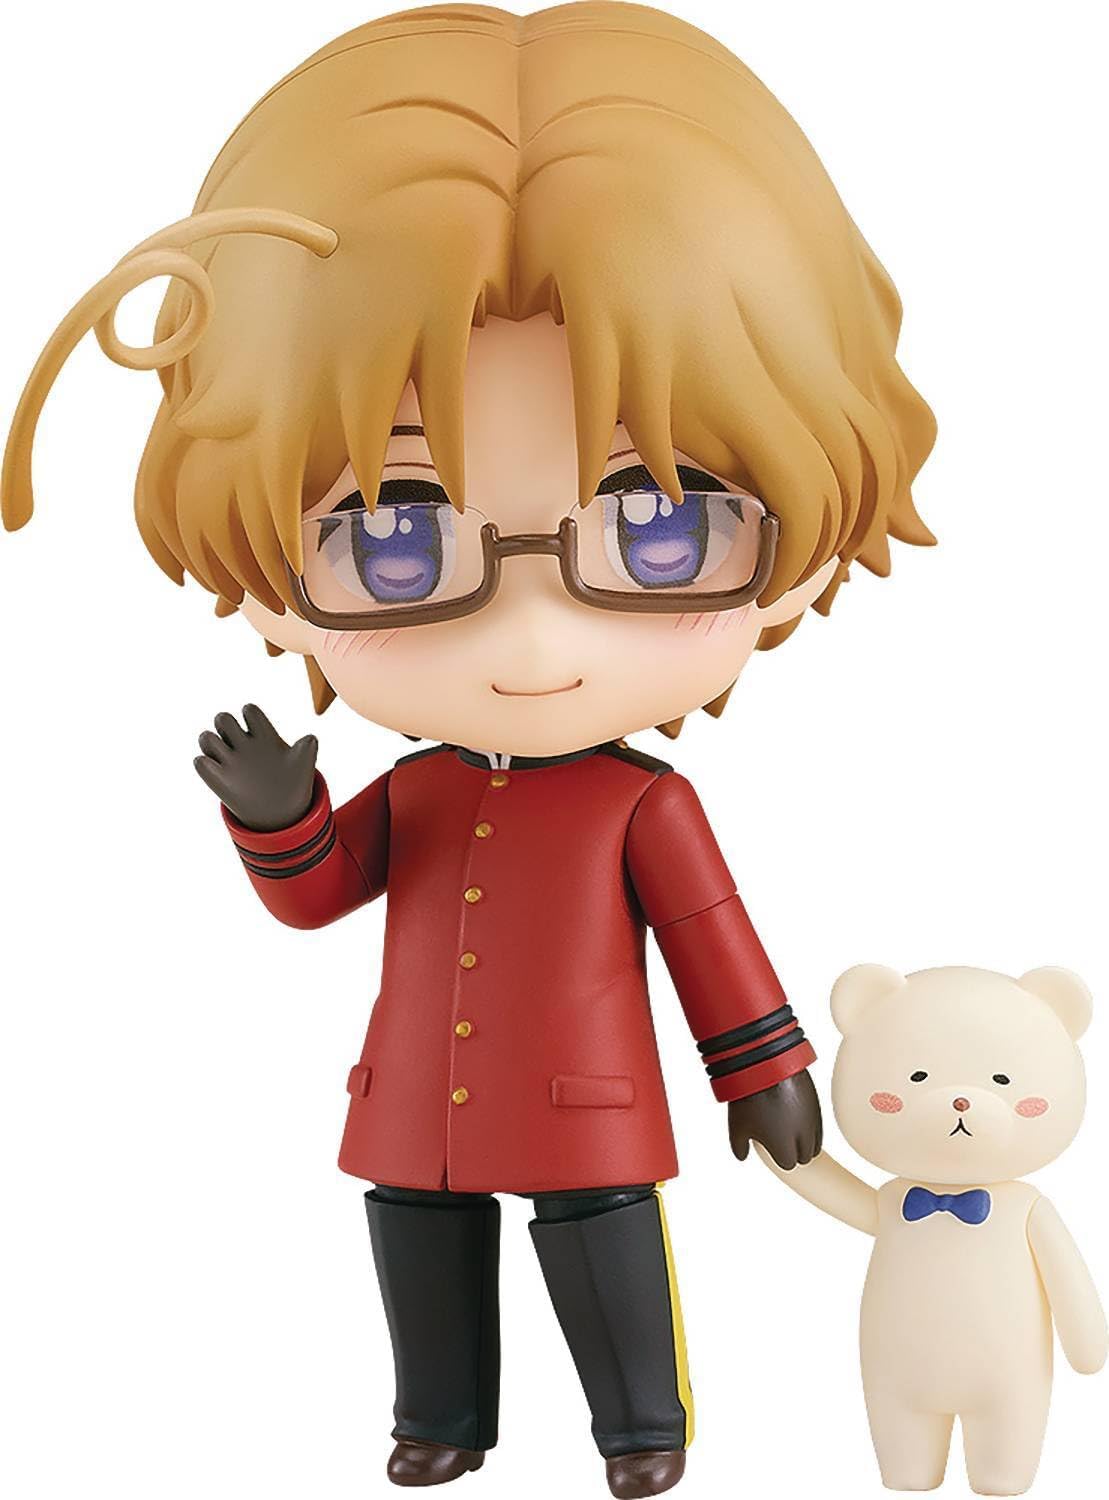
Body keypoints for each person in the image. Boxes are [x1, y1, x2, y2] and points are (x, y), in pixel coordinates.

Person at [1, 5, 935, 1493]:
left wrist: (758, 1067)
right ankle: (439, 1417)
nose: (531, 635)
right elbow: (319, 896)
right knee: (417, 1243)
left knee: (600, 1246)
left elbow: (710, 934)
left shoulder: (642, 804)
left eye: (659, 526)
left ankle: (639, 1429)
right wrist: (281, 813)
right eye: (392, 537)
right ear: (263, 566)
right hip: (412, 1102)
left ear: (798, 543)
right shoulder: (423, 788)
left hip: (589, 1104)